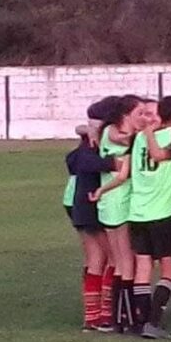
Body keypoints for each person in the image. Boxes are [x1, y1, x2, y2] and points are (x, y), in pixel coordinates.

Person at [127, 96, 171, 339]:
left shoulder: (138, 137)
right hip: (164, 212)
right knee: (169, 269)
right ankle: (153, 321)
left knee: (143, 266)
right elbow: (161, 156)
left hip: (138, 211)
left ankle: (141, 321)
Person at [91, 95, 148, 333]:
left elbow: (97, 129)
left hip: (107, 204)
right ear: (126, 115)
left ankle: (118, 317)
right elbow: (123, 175)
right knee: (127, 262)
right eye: (140, 114)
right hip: (119, 202)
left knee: (119, 261)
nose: (144, 118)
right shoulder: (124, 139)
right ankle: (126, 317)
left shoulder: (108, 132)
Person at [63, 125, 124, 331]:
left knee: (95, 259)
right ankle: (107, 315)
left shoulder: (81, 151)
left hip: (78, 206)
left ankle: (93, 317)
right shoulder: (92, 152)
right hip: (92, 207)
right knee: (113, 258)